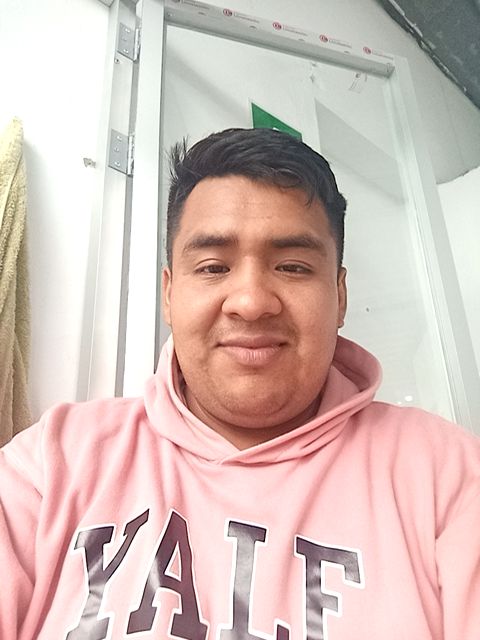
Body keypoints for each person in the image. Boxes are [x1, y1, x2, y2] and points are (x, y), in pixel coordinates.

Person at [1, 127, 479, 640]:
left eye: (292, 266)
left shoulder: (449, 476)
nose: (250, 302)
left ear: (340, 296)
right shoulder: (52, 464)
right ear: (169, 294)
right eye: (213, 267)